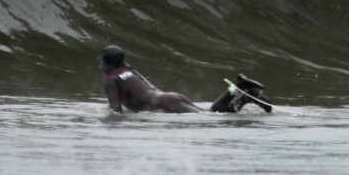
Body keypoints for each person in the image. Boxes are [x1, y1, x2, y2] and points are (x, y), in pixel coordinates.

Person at [98, 45, 271, 113]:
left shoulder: (111, 80)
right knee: (213, 113)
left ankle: (238, 86)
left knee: (211, 118)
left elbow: (115, 110)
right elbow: (148, 90)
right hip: (169, 97)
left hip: (165, 104)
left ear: (106, 64)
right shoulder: (131, 70)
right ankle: (244, 96)